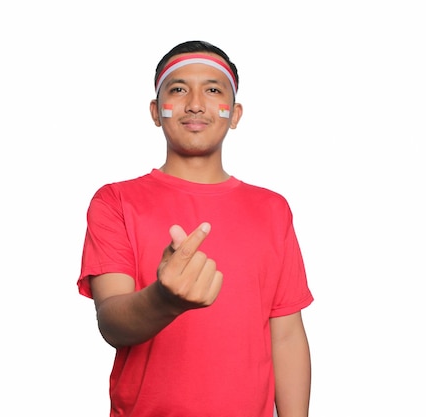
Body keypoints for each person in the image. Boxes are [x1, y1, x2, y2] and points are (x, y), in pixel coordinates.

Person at [78, 40, 314, 417]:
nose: (195, 104)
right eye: (178, 89)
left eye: (213, 89)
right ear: (157, 112)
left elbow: (285, 336)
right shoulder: (115, 201)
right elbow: (111, 322)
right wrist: (164, 300)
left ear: (234, 114)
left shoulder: (273, 209)